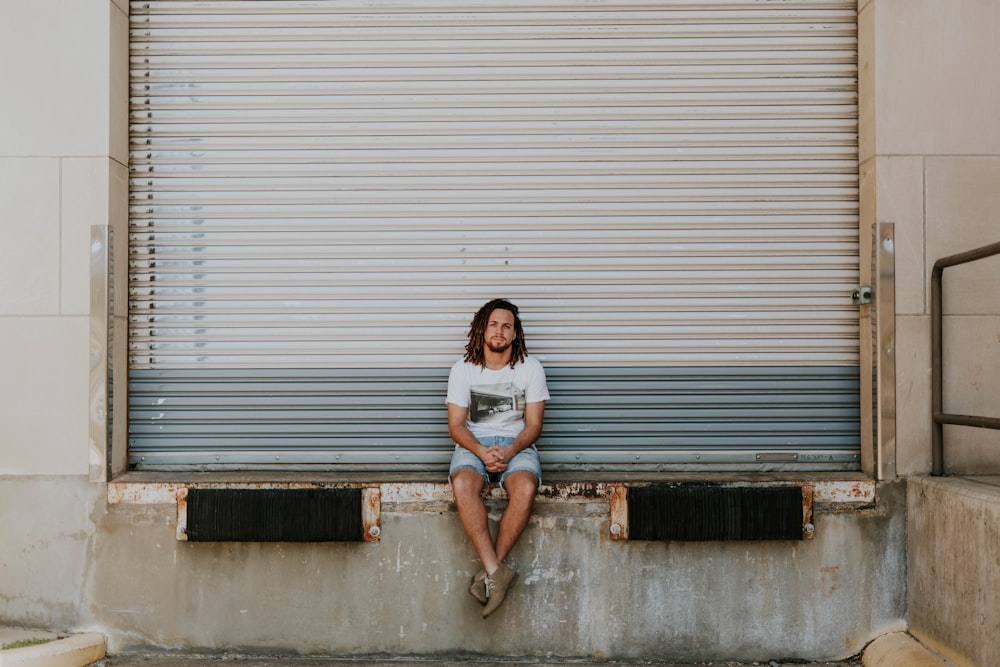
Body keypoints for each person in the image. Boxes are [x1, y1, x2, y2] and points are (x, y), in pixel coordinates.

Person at [446, 298, 550, 618]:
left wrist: (508, 451)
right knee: (463, 483)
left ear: (515, 334)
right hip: (473, 445)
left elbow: (534, 425)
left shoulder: (530, 368)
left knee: (525, 488)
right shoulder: (463, 370)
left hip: (516, 445)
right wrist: (481, 451)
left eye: (506, 326)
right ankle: (497, 571)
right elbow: (456, 426)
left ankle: (491, 574)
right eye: (493, 324)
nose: (499, 331)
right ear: (482, 329)